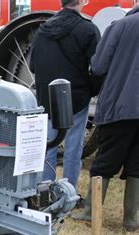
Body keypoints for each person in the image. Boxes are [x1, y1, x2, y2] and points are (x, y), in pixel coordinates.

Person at [72, 2, 139, 231]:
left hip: (120, 105)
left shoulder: (120, 26)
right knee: (137, 164)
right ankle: (131, 219)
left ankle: (91, 212)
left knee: (104, 162)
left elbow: (99, 66)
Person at [29, 0, 100, 191]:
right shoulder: (88, 30)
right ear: (82, 2)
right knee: (73, 150)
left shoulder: (42, 30)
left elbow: (32, 65)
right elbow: (99, 68)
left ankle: (45, 191)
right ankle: (68, 193)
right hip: (76, 96)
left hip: (48, 96)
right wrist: (91, 90)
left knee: (48, 147)